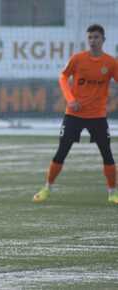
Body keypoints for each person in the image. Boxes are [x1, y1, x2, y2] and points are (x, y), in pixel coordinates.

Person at [34, 24, 118, 203]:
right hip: (74, 115)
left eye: (96, 37)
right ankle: (47, 188)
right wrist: (70, 99)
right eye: (90, 38)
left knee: (107, 154)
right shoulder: (78, 59)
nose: (92, 41)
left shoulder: (111, 63)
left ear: (103, 39)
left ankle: (113, 193)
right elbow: (63, 77)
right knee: (61, 151)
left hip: (97, 116)